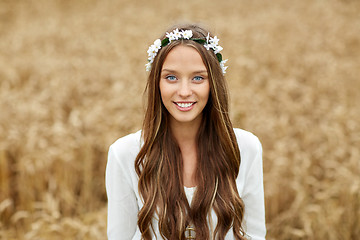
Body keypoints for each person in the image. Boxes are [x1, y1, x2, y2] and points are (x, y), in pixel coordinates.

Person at [105, 23, 266, 240]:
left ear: (213, 84)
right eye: (171, 77)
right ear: (157, 83)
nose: (184, 91)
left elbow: (254, 235)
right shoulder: (124, 153)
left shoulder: (245, 147)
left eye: (198, 78)